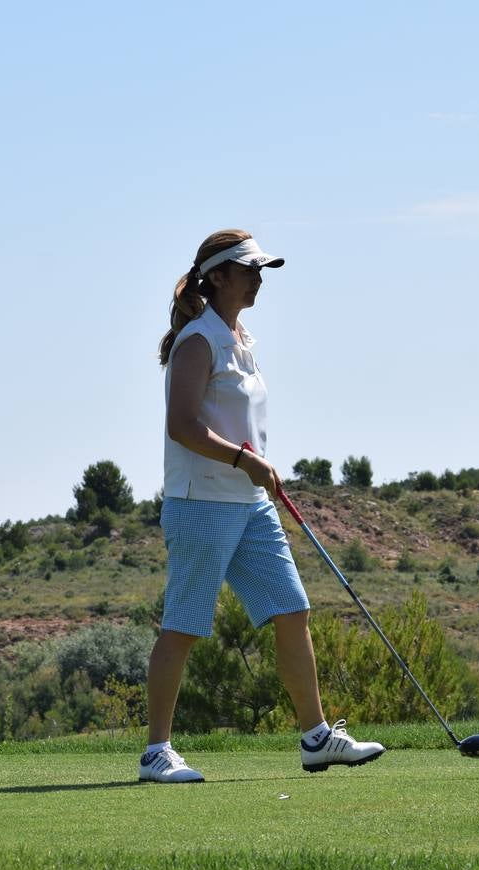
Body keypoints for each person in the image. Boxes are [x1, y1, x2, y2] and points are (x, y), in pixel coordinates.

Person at [139, 229, 385, 783]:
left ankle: (316, 737)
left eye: (261, 270)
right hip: (202, 501)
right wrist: (245, 461)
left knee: (291, 609)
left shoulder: (239, 337)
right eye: (249, 270)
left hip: (249, 505)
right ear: (219, 276)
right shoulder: (199, 341)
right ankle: (156, 752)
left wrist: (253, 473)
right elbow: (182, 427)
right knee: (184, 625)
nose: (258, 279)